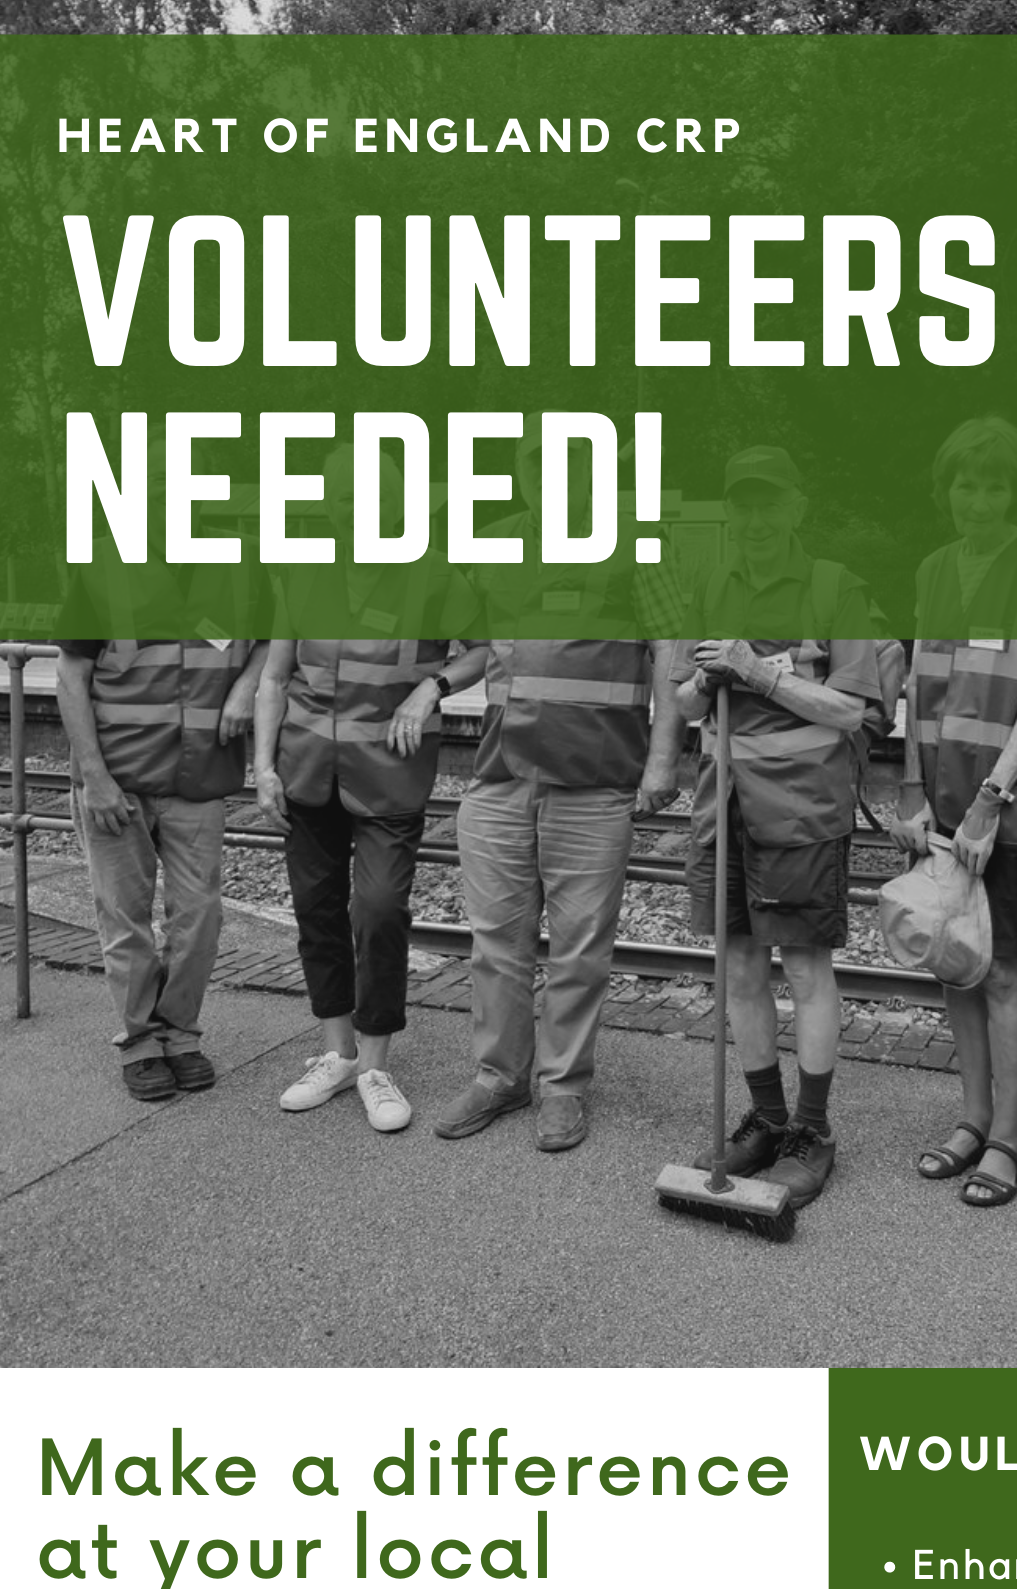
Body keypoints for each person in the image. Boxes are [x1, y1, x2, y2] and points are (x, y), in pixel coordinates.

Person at [436, 416, 688, 1153]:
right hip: (500, 776)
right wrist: (428, 684)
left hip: (595, 780)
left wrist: (664, 759)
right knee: (496, 943)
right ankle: (498, 1076)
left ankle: (564, 1086)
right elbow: (475, 644)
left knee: (580, 947)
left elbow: (669, 650)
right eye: (537, 464)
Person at [673, 446, 886, 1206]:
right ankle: (764, 1118)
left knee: (802, 970)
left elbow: (854, 710)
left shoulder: (836, 588)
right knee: (737, 971)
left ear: (795, 507)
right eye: (743, 504)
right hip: (721, 805)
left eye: (769, 502)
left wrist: (760, 672)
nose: (755, 518)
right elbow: (683, 706)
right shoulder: (710, 584)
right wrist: (704, 679)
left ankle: (811, 1130)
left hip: (800, 811)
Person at [253, 451, 489, 1134]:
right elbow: (273, 677)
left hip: (388, 775)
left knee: (380, 909)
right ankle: (336, 1054)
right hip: (305, 773)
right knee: (316, 910)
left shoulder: (434, 570)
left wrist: (430, 685)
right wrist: (262, 766)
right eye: (341, 494)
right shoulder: (302, 571)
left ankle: (377, 1065)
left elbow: (478, 648)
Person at [893, 416, 1017, 1206]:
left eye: (993, 484)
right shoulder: (932, 567)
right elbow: (917, 689)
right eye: (965, 484)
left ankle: (1008, 1137)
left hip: (1011, 803)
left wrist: (988, 804)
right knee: (953, 964)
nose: (977, 498)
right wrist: (908, 791)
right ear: (946, 491)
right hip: (938, 800)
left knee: (1002, 968)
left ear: (1015, 490)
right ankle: (968, 1119)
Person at [55, 571, 267, 1100]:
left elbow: (273, 637)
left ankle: (179, 1033)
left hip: (198, 777)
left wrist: (247, 684)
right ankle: (141, 1043)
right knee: (125, 919)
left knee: (199, 917)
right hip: (117, 782)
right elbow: (71, 675)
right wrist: (94, 777)